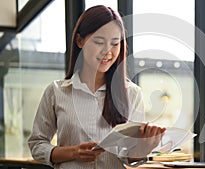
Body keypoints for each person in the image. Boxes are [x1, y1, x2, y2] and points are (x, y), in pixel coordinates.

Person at [28, 5, 166, 169]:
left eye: (115, 43)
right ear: (80, 41)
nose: (107, 51)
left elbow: (130, 159)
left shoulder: (132, 94)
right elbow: (37, 144)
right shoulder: (57, 92)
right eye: (99, 42)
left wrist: (144, 148)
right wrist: (73, 152)